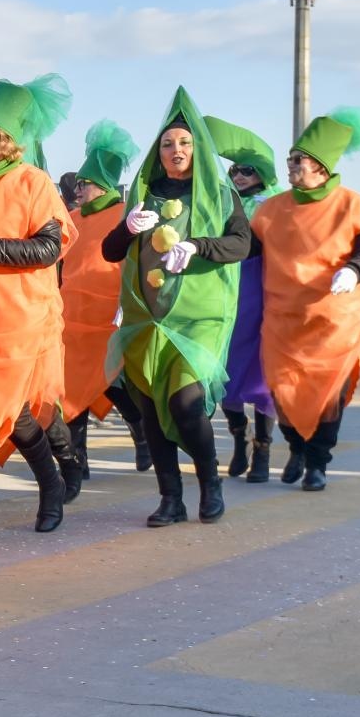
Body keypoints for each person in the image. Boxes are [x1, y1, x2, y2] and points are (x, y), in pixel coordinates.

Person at [103, 88, 249, 527]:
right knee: (149, 404)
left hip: (198, 316)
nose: (176, 150)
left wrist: (197, 245)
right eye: (167, 144)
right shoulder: (144, 193)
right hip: (147, 315)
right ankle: (171, 498)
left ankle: (210, 484)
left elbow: (243, 244)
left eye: (184, 142)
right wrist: (128, 228)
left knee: (186, 403)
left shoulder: (222, 196)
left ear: (197, 148)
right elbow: (111, 252)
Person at [0, 75, 75, 536]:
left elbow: (48, 247)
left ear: (5, 139)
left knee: (15, 416)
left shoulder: (33, 181)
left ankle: (49, 483)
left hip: (20, 318)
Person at [252, 109, 360, 491]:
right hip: (284, 320)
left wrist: (355, 270)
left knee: (327, 397)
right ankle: (297, 447)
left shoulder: (352, 205)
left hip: (336, 322)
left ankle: (317, 463)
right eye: (290, 159)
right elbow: (242, 249)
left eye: (298, 160)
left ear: (321, 167)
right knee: (284, 393)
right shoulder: (271, 209)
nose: (291, 166)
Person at [59, 120, 140, 481]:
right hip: (71, 315)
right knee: (72, 389)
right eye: (77, 183)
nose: (78, 189)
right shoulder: (70, 218)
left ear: (104, 184)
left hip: (109, 314)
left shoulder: (124, 215)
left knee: (111, 383)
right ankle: (77, 463)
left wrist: (129, 302)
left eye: (85, 183)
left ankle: (142, 433)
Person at [203, 116, 280, 483]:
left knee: (261, 379)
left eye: (247, 170)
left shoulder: (273, 206)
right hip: (226, 295)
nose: (239, 175)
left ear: (262, 174)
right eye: (234, 170)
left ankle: (262, 452)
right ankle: (238, 442)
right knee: (227, 376)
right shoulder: (220, 204)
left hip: (262, 295)